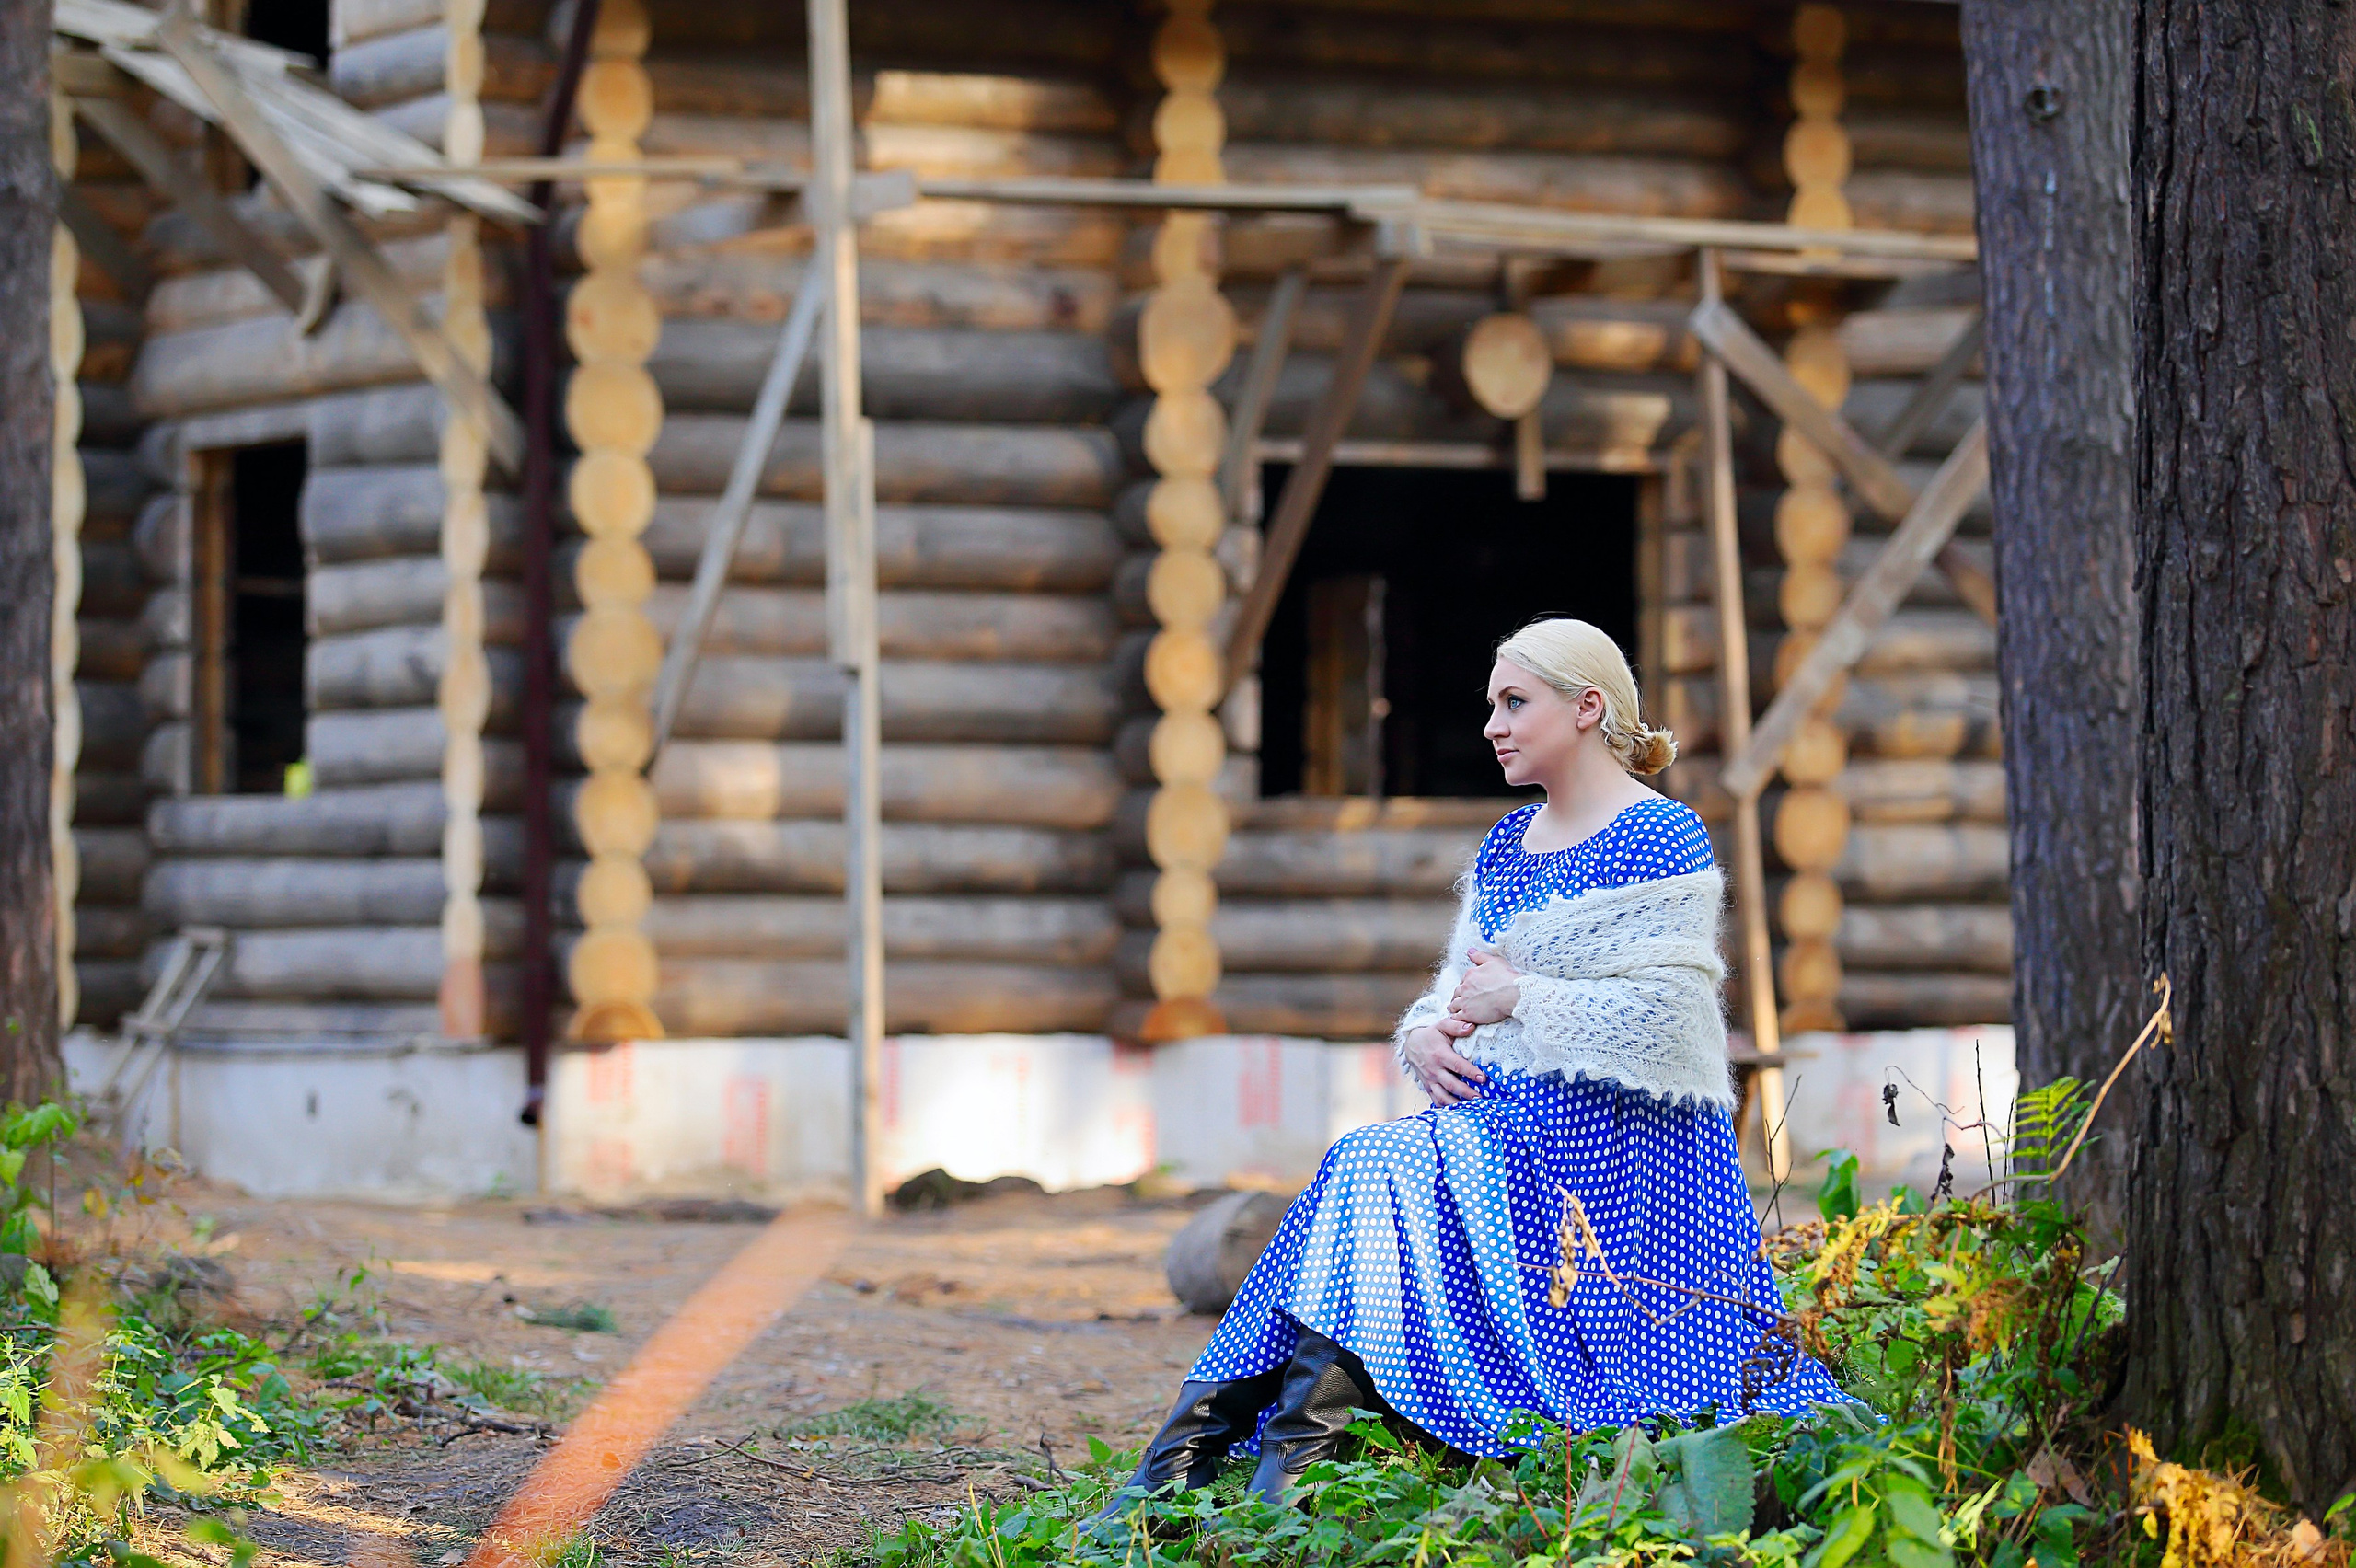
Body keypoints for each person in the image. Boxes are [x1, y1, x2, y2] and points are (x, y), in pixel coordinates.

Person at [1100, 617, 1848, 1516]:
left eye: (1513, 702)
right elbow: (1459, 989)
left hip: (1613, 1164)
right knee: (1362, 1167)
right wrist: (1422, 1032)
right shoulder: (1506, 841)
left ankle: (1246, 1478)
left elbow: (1670, 1017)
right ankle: (1211, 1473)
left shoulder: (1661, 835)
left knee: (1370, 1166)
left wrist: (1523, 1001)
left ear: (1587, 709)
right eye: (1491, 704)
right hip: (1495, 1133)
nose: (1491, 724)